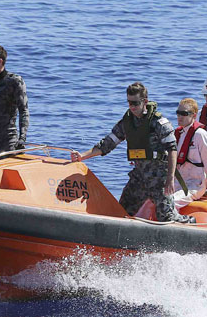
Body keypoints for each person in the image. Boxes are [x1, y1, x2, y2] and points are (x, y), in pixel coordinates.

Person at [70, 82, 192, 223]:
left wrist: (170, 179)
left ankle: (191, 223)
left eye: (135, 103)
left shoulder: (159, 123)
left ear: (145, 101)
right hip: (139, 178)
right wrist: (83, 156)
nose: (132, 107)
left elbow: (172, 149)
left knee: (167, 218)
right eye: (129, 103)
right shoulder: (127, 122)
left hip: (159, 179)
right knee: (121, 212)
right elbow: (107, 144)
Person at [172, 98, 207, 207]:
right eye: (178, 113)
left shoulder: (200, 135)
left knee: (171, 202)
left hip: (194, 185)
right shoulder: (178, 134)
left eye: (183, 114)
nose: (179, 117)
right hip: (177, 182)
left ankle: (175, 220)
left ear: (194, 115)